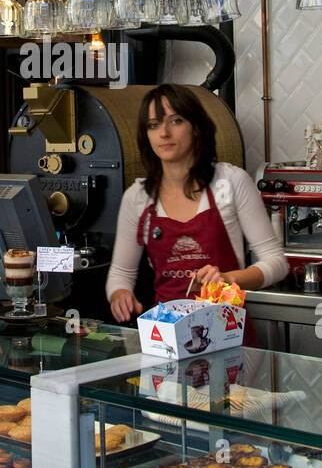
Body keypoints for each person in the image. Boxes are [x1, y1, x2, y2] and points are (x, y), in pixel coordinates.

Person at [107, 84, 286, 328]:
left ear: (197, 128)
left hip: (227, 332)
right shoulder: (138, 196)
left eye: (176, 121)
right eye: (153, 125)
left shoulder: (231, 182)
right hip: (167, 336)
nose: (164, 133)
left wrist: (229, 278)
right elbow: (121, 274)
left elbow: (277, 262)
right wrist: (120, 294)